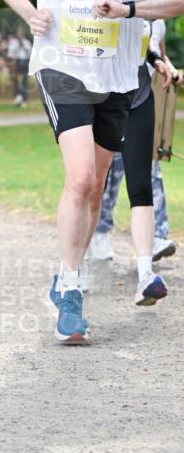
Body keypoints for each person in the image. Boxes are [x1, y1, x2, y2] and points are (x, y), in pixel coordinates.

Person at [0, 0, 184, 343]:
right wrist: (28, 12)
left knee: (97, 188)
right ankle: (72, 289)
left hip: (118, 79)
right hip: (62, 68)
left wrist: (130, 10)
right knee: (79, 178)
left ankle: (63, 278)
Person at [90, 20, 181, 269]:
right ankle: (99, 232)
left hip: (141, 97)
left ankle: (157, 237)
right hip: (112, 100)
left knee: (149, 171)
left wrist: (169, 69)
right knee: (109, 172)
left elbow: (157, 52)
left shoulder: (158, 16)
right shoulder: (117, 5)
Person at [6, 25, 32, 106]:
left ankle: (24, 99)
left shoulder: (26, 42)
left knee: (25, 81)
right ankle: (17, 97)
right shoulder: (13, 42)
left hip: (25, 62)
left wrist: (23, 46)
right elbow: (10, 54)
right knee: (15, 81)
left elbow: (30, 54)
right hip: (16, 62)